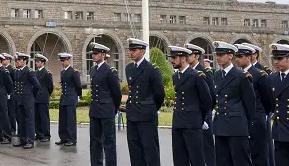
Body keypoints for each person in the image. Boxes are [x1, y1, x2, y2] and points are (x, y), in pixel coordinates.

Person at [212, 41, 255, 166]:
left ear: (230, 56)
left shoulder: (241, 76)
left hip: (236, 126)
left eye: (221, 55)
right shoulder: (217, 74)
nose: (218, 58)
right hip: (220, 125)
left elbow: (250, 104)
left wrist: (246, 125)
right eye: (217, 55)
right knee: (222, 161)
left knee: (241, 161)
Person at [168, 45, 212, 166]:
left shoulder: (196, 76)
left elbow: (207, 101)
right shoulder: (175, 76)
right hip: (178, 122)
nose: (172, 60)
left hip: (192, 124)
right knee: (179, 159)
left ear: (183, 59)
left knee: (196, 158)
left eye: (174, 58)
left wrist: (199, 118)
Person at [125, 38, 165, 166]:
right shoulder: (129, 68)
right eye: (130, 50)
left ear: (142, 51)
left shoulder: (152, 69)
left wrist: (151, 107)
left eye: (134, 50)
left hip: (146, 115)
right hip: (132, 115)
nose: (131, 53)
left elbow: (159, 94)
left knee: (150, 150)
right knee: (135, 150)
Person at [235, 44, 272, 166]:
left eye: (240, 56)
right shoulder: (237, 74)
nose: (237, 59)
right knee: (243, 154)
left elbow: (267, 99)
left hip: (257, 118)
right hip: (241, 118)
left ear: (249, 57)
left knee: (259, 154)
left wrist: (262, 114)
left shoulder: (259, 75)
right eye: (236, 56)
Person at [89, 42, 122, 166]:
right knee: (94, 141)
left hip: (106, 110)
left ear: (103, 55)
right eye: (93, 53)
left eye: (96, 53)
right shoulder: (93, 70)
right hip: (95, 110)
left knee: (109, 141)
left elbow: (117, 93)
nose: (93, 55)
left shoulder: (110, 70)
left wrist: (113, 108)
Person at [243, 42, 276, 166]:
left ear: (253, 55)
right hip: (246, 117)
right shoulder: (240, 73)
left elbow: (267, 97)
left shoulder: (261, 72)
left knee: (263, 149)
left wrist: (265, 112)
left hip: (260, 114)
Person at [185, 43, 216, 166]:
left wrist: (206, 115)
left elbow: (211, 96)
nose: (187, 57)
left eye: (190, 54)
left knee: (207, 148)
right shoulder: (187, 71)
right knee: (194, 150)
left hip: (203, 116)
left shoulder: (204, 72)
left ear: (197, 56)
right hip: (191, 116)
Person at [13, 52, 41, 149]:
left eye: (19, 60)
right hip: (19, 99)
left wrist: (31, 95)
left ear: (24, 61)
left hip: (27, 99)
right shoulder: (16, 71)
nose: (17, 62)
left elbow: (37, 85)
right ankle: (23, 139)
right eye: (16, 60)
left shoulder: (29, 71)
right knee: (20, 120)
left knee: (29, 120)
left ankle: (30, 140)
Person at [268, 43, 289, 165]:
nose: (276, 62)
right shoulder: (272, 78)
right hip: (279, 127)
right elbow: (270, 102)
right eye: (274, 58)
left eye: (280, 58)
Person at [56, 53, 82, 147]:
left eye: (64, 61)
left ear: (68, 60)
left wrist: (78, 96)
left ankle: (72, 139)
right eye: (61, 61)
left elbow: (78, 85)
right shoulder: (63, 72)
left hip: (71, 98)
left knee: (70, 120)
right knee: (62, 119)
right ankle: (63, 138)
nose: (62, 63)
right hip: (64, 98)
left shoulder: (74, 71)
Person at [33, 54, 54, 142]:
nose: (36, 63)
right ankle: (38, 134)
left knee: (44, 117)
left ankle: (46, 134)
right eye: (36, 62)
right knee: (37, 117)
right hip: (36, 98)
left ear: (42, 63)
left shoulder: (46, 73)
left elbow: (50, 86)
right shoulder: (36, 72)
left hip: (43, 98)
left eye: (38, 62)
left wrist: (46, 94)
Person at [2, 53, 17, 136]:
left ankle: (12, 128)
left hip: (10, 93)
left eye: (4, 59)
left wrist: (10, 92)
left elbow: (13, 82)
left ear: (8, 60)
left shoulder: (11, 69)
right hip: (4, 93)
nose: (3, 61)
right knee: (6, 112)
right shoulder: (3, 69)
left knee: (11, 112)